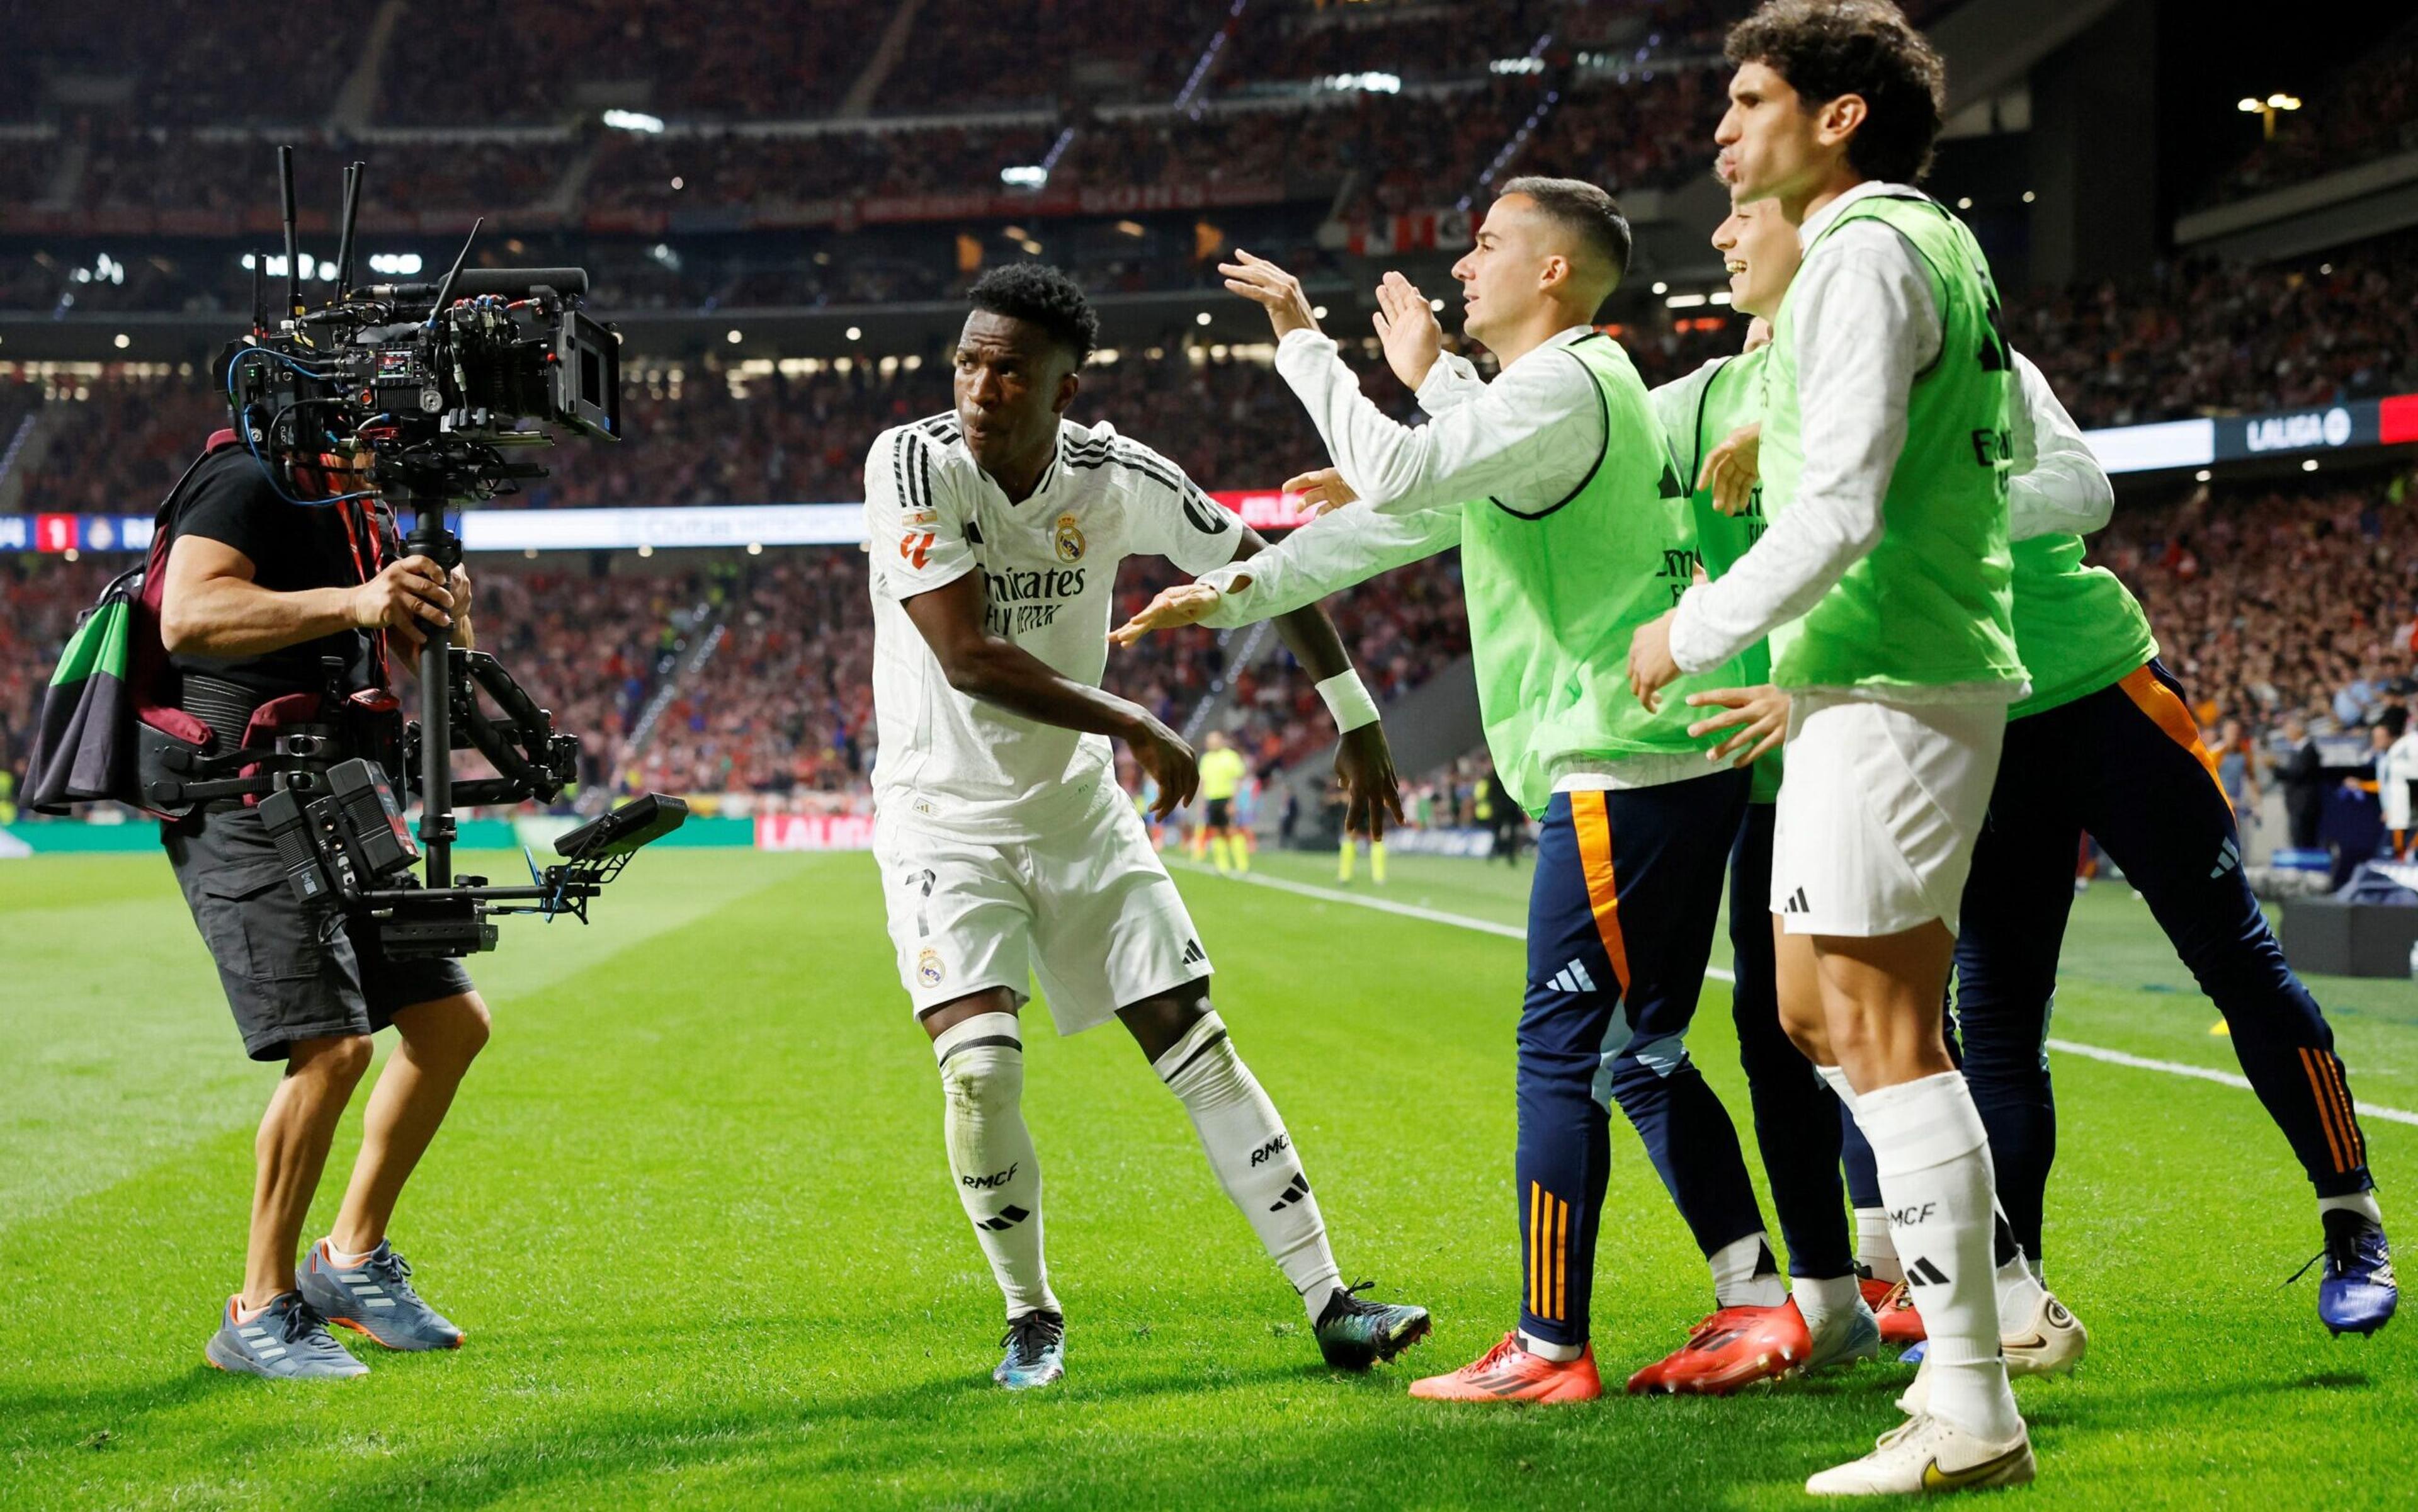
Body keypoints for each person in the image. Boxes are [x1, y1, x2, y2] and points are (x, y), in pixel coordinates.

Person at [1119, 176, 1873, 1402]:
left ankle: (1548, 1346)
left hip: (1621, 767)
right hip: (1652, 764)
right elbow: (1416, 518)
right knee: (1646, 1052)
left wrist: (1309, 342)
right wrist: (1240, 588)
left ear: (1555, 273)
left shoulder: (1572, 383)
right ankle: (1756, 1302)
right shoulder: (1572, 387)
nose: (1462, 268)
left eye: (1486, 246)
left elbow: (1409, 480)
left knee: (1562, 1051)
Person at [863, 263, 1428, 1392]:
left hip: (1076, 812)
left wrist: (1355, 713)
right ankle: (1030, 1313)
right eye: (969, 360)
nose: (980, 386)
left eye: (1010, 370)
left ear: (1067, 386)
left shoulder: (1120, 476)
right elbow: (968, 656)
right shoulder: (910, 460)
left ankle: (1332, 1302)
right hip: (943, 823)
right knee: (980, 1070)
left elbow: (1265, 570)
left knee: (1193, 1036)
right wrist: (1130, 715)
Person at [1628, 1, 2035, 1491]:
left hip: (1893, 676)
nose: (1723, 133)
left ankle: (1974, 1403)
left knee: (1875, 1032)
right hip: (1865, 683)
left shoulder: (1863, 254)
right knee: (1814, 1014)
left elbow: (1845, 504)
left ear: (1836, 114)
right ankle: (2005, 1318)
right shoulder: (1925, 244)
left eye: (1748, 102)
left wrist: (1697, 629)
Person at [156, 431, 489, 1379]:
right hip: (241, 791)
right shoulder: (245, 474)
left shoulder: (365, 514)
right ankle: (259, 1309)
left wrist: (444, 623)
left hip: (342, 789)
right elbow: (188, 614)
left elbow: (421, 673)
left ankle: (348, 1260)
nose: (393, 453)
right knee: (333, 1046)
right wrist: (358, 599)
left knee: (451, 1025)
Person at [1195, 730, 1251, 873]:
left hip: (1227, 798)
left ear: (1221, 741)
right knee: (1217, 831)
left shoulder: (1231, 757)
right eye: (1209, 742)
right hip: (1212, 799)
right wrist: (1201, 802)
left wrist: (1234, 801)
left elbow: (1238, 779)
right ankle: (1222, 866)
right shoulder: (1206, 758)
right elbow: (1203, 781)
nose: (1212, 744)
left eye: (1214, 741)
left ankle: (1242, 865)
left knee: (1232, 830)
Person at [2281, 715, 2327, 851]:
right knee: (2297, 839)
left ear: (2298, 730)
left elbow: (2299, 774)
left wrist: (2275, 769)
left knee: (2304, 841)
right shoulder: (2297, 750)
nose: (2286, 733)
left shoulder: (2309, 750)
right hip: (2296, 805)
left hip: (2305, 806)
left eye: (2288, 729)